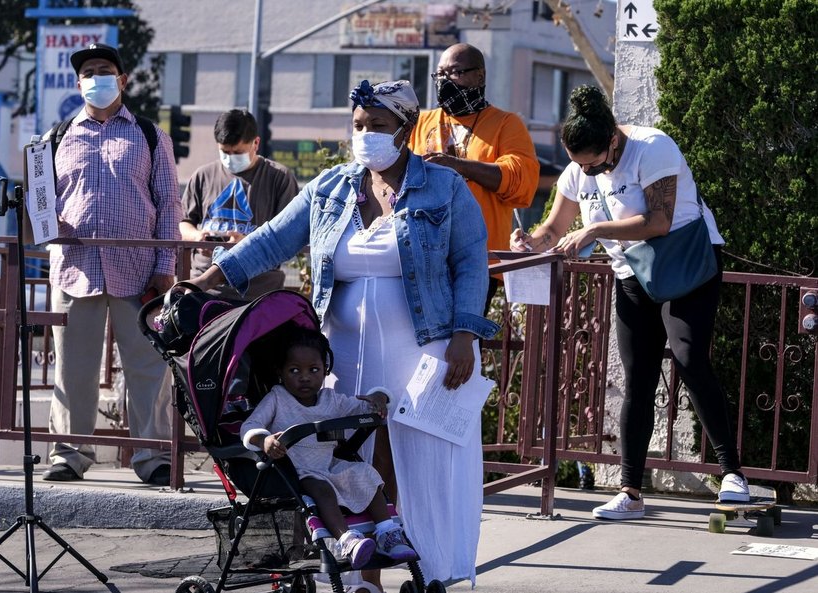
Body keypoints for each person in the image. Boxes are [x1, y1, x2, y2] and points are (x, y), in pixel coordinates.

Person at [192, 79, 498, 591]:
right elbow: (272, 240)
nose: (365, 136)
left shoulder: (444, 187)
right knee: (353, 456)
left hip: (423, 348)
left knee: (415, 461)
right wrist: (209, 279)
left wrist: (466, 334)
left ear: (405, 130)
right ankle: (364, 578)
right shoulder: (331, 188)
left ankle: (432, 569)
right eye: (358, 126)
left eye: (377, 126)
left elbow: (471, 262)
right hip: (344, 351)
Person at [510, 85, 750, 520]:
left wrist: (596, 232)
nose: (588, 170)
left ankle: (732, 474)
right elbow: (554, 227)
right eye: (579, 163)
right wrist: (529, 241)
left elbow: (659, 222)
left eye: (594, 162)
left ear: (613, 141)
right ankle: (631, 492)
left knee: (689, 357)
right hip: (631, 273)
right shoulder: (578, 171)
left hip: (684, 264)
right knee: (638, 377)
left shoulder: (652, 147)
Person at [42, 43, 183, 486]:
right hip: (74, 267)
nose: (96, 77)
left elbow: (169, 205)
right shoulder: (56, 136)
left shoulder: (148, 134)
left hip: (138, 269)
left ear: (122, 80)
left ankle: (154, 456)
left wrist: (165, 264)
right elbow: (41, 205)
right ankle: (69, 453)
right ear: (78, 82)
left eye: (105, 70)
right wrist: (49, 222)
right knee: (72, 366)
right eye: (89, 71)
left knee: (147, 368)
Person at [240, 327, 416, 569]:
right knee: (322, 489)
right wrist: (265, 440)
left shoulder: (330, 399)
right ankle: (347, 540)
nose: (305, 377)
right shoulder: (277, 398)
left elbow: (361, 406)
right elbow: (250, 425)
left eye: (314, 370)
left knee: (367, 474)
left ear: (325, 370)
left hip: (328, 465)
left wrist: (379, 398)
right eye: (294, 371)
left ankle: (388, 533)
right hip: (297, 471)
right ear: (280, 372)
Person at [408, 42, 540, 307]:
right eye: (440, 74)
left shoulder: (506, 124)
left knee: (463, 341)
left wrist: (461, 166)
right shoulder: (420, 122)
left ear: (479, 76)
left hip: (479, 261)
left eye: (455, 72)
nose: (445, 81)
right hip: (424, 257)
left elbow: (520, 180)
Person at [179, 109, 298, 301]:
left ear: (256, 143)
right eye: (225, 152)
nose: (230, 158)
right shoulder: (202, 175)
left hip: (257, 292)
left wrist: (247, 243)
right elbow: (183, 222)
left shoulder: (279, 177)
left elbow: (288, 235)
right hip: (204, 288)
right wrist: (197, 237)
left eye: (238, 152)